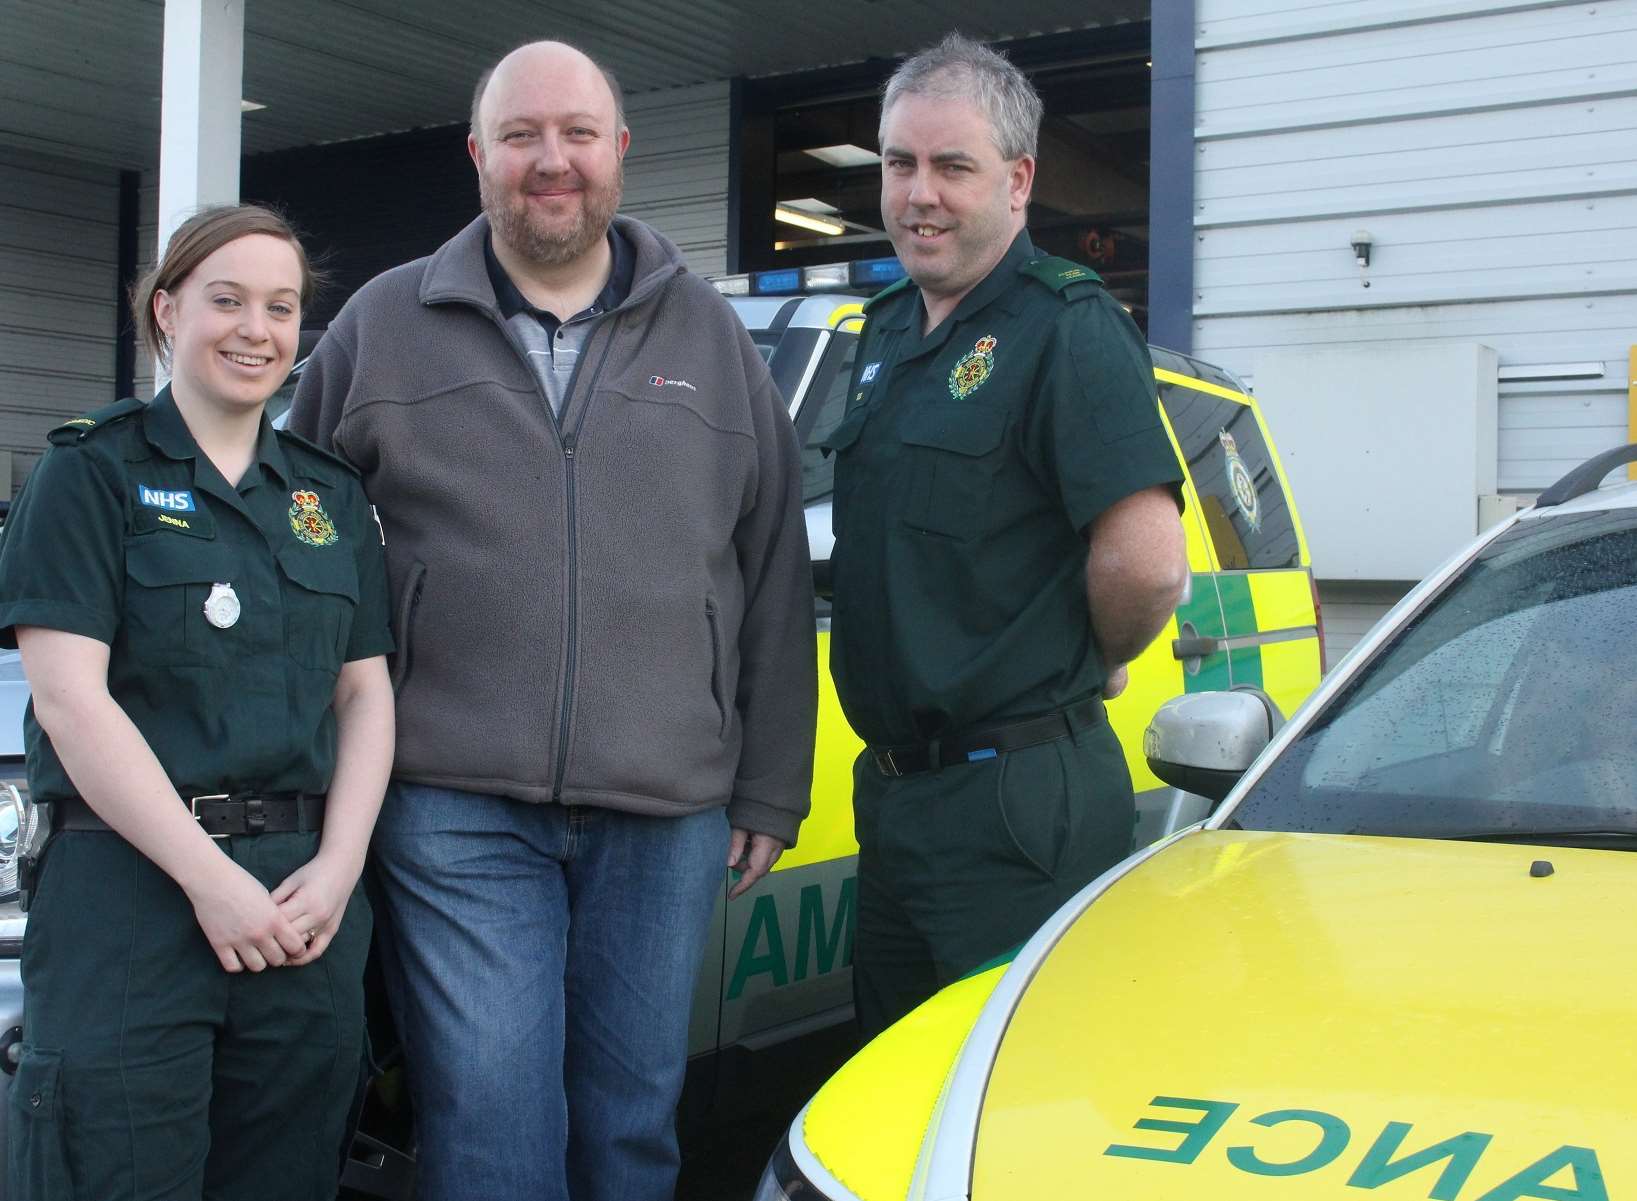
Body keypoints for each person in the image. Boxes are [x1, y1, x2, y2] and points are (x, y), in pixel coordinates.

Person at [287, 39, 816, 1201]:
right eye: (520, 136)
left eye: (576, 133)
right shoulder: (383, 325)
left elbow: (773, 559)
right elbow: (283, 532)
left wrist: (772, 781)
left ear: (620, 154)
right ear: (477, 158)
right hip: (452, 804)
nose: (550, 161)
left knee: (630, 1129)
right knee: (490, 1131)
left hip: (666, 807)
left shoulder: (712, 340)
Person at [0, 204, 396, 1201]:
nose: (255, 329)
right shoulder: (90, 473)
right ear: (167, 311)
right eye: (225, 300)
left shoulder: (329, 499)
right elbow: (70, 699)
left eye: (281, 306)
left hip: (299, 909)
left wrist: (341, 866)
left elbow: (365, 694)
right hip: (129, 896)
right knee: (116, 1172)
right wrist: (206, 878)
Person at [825, 33, 1190, 1039]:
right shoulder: (888, 330)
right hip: (899, 792)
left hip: (1014, 797)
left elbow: (1147, 565)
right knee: (898, 1085)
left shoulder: (1064, 327)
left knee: (1010, 1091)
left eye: (951, 166)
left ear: (1018, 179)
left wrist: (1081, 656)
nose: (917, 194)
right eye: (898, 164)